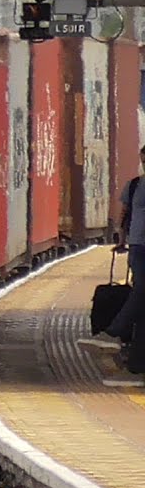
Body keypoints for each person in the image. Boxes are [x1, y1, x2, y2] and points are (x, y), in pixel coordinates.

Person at [79, 144, 145, 388]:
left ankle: (118, 338)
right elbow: (125, 215)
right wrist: (121, 239)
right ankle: (132, 360)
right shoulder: (135, 185)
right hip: (139, 248)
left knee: (142, 297)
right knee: (142, 292)